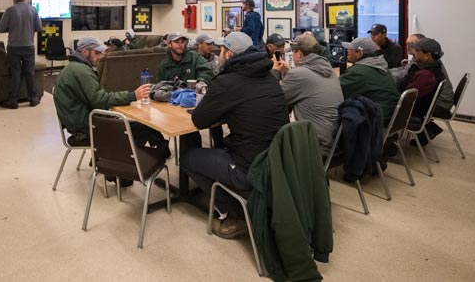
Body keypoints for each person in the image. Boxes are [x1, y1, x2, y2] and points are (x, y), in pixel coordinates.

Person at [181, 32, 289, 239]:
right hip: (277, 161)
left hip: (249, 167)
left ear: (229, 55)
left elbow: (200, 121)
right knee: (217, 150)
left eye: (221, 50)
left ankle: (233, 213)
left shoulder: (227, 82)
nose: (219, 53)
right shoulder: (269, 77)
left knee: (187, 158)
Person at [53, 37, 168, 185]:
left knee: (135, 127)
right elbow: (100, 99)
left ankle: (112, 165)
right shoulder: (81, 71)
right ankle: (120, 172)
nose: (100, 57)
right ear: (84, 51)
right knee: (139, 129)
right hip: (84, 127)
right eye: (97, 53)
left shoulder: (72, 68)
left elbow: (95, 99)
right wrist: (133, 95)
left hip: (77, 121)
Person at [271, 35, 342, 153]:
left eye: (293, 52)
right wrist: (289, 72)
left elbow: (275, 102)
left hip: (317, 144)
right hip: (336, 139)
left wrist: (275, 72)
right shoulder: (328, 70)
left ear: (299, 53)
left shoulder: (298, 74)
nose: (292, 56)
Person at [399, 38, 450, 144]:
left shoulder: (426, 75)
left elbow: (406, 97)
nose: (414, 52)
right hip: (420, 109)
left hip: (411, 112)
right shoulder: (435, 70)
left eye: (417, 51)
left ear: (427, 55)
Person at [338, 37, 401, 124]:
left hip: (376, 119)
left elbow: (336, 91)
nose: (347, 51)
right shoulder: (381, 66)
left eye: (350, 49)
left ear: (359, 53)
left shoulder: (358, 72)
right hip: (390, 115)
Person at [0, 0, 42, 109]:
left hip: (14, 47)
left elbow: (1, 28)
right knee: (29, 72)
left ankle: (13, 100)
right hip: (29, 46)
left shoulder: (10, 10)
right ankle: (33, 98)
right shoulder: (33, 10)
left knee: (15, 72)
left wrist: (12, 27)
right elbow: (39, 27)